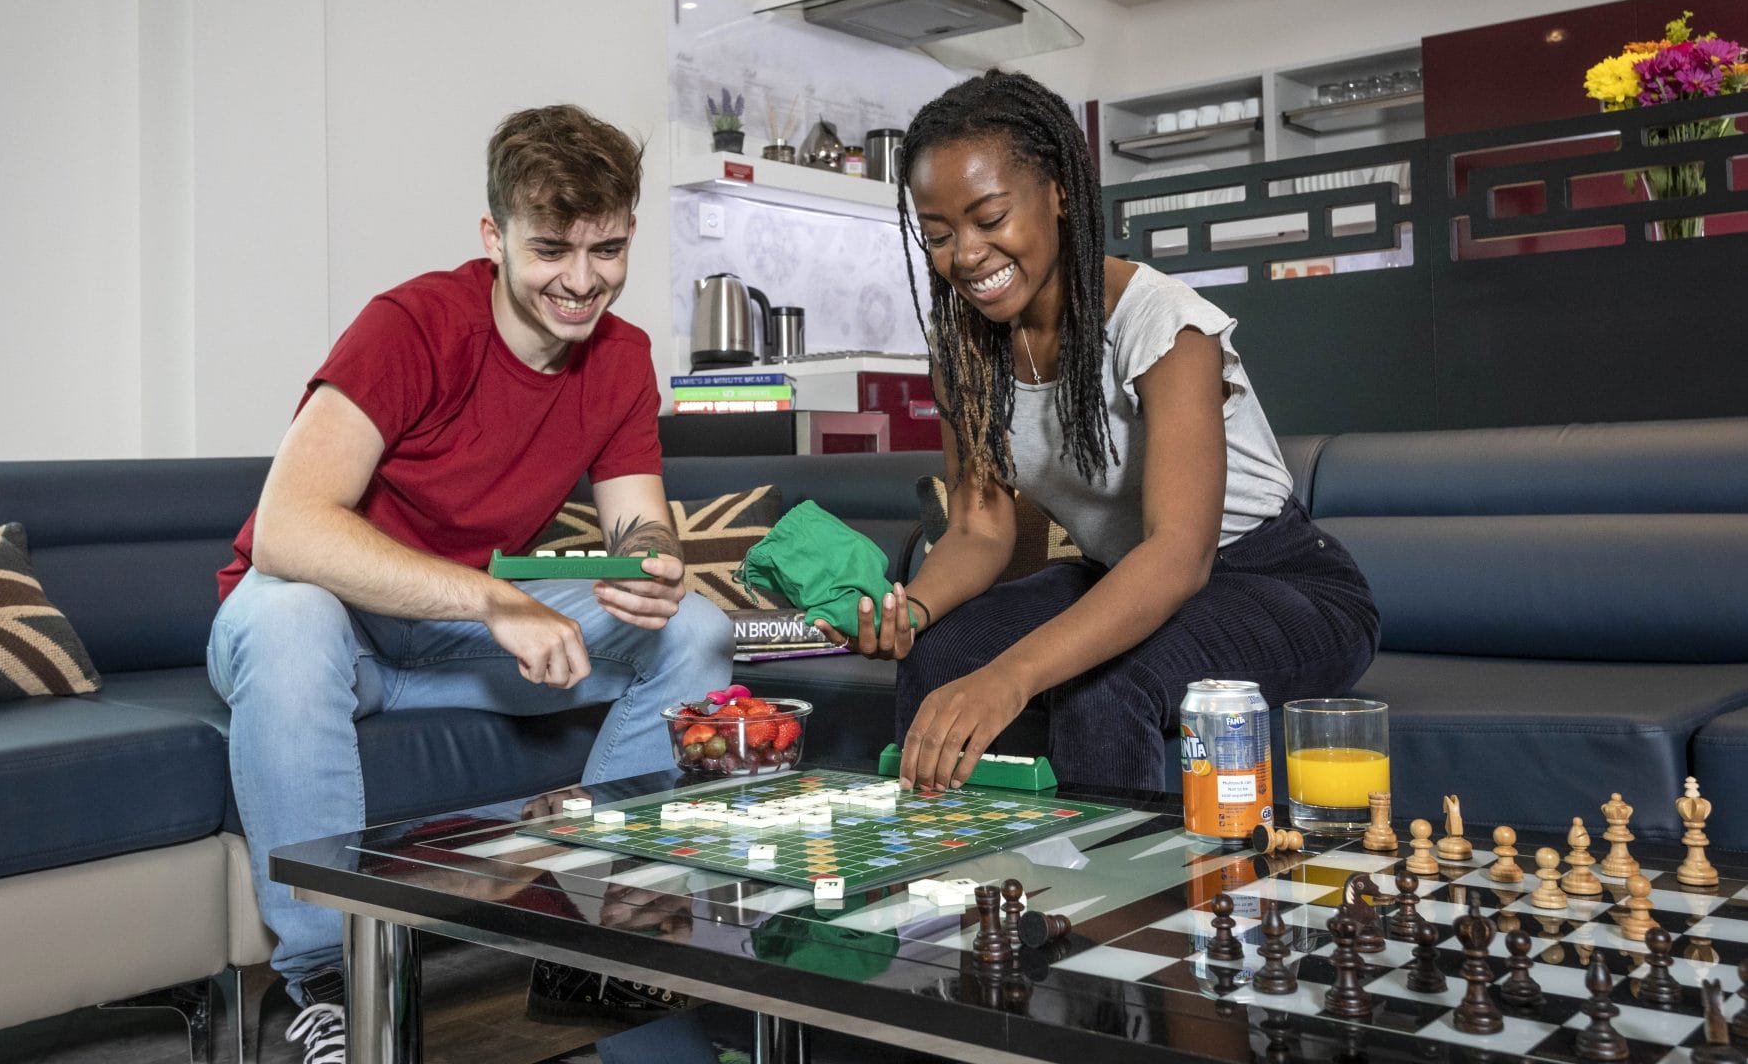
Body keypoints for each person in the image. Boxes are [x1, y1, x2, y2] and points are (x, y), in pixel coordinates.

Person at [208, 104, 732, 1062]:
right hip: (339, 632)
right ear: (493, 237)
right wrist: (494, 599)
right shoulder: (410, 325)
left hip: (456, 644)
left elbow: (637, 517)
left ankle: (603, 936)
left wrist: (655, 559)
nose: (582, 282)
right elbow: (288, 528)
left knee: (694, 630)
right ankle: (327, 981)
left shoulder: (620, 359)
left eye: (607, 250)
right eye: (550, 251)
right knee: (288, 620)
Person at [818, 69, 1378, 793]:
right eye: (938, 234)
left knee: (1102, 688)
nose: (966, 255)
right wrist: (912, 610)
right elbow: (980, 531)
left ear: (1056, 191)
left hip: (1275, 583)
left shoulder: (1164, 325)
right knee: (940, 657)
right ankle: (952, 885)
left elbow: (1179, 555)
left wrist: (1013, 678)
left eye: (989, 218)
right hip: (1120, 576)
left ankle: (1108, 906)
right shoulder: (962, 344)